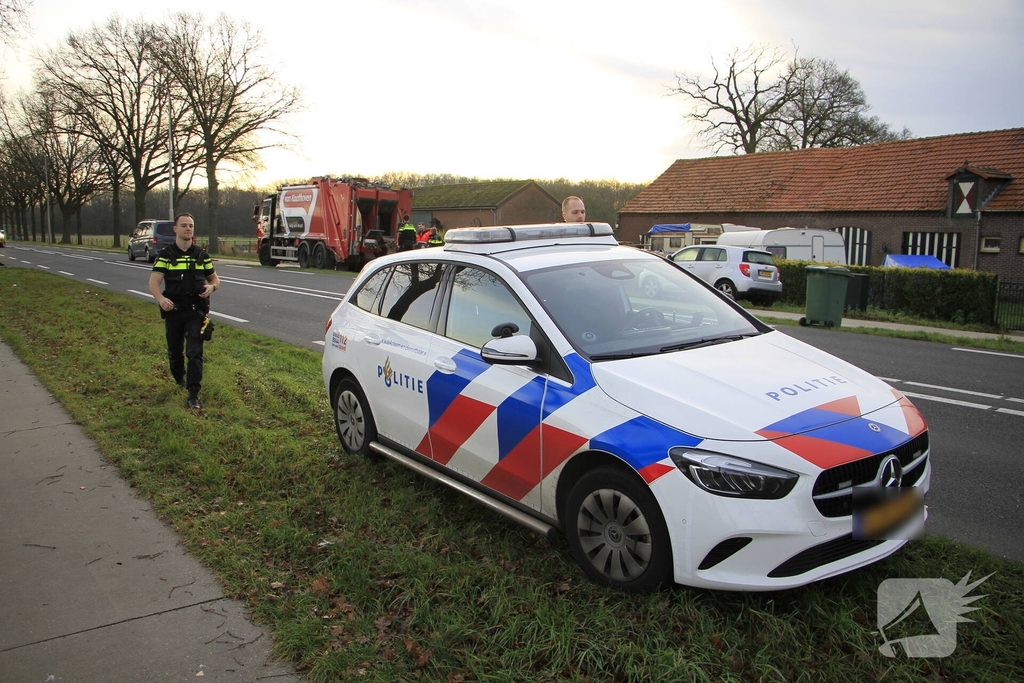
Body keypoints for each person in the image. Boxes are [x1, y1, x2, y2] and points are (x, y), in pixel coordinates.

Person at [148, 213, 220, 410]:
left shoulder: (201, 255)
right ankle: (179, 378)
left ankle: (193, 394)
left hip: (196, 311)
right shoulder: (166, 254)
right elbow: (154, 282)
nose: (188, 229)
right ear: (176, 229)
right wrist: (161, 299)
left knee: (194, 353)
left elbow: (215, 279)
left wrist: (211, 287)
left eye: (191, 226)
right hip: (174, 311)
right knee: (175, 352)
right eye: (184, 225)